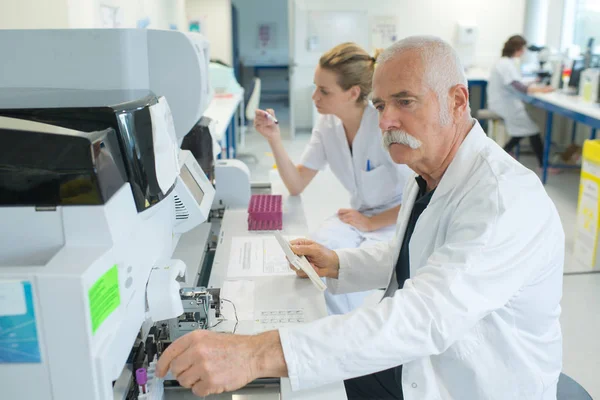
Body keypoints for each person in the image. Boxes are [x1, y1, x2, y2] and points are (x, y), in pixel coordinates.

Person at [155, 36, 564, 400]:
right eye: (381, 105)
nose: (386, 121)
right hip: (421, 364)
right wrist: (340, 263)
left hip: (471, 382)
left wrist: (257, 353)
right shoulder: (428, 171)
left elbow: (425, 317)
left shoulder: (502, 198)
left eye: (404, 101)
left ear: (457, 101)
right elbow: (415, 255)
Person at [254, 42, 411, 315]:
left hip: (396, 221)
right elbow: (296, 183)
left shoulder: (384, 125)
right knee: (310, 258)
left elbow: (419, 195)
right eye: (315, 87)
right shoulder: (328, 125)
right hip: (359, 217)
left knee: (347, 283)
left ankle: (337, 339)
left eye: (324, 91)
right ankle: (312, 327)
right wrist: (274, 139)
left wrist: (373, 222)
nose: (315, 97)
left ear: (353, 93)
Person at [487, 35, 556, 172]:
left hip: (505, 102)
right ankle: (543, 166)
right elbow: (518, 86)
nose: (524, 51)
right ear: (518, 49)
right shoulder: (506, 64)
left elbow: (516, 82)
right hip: (504, 104)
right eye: (523, 48)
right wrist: (541, 89)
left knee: (523, 130)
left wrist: (533, 82)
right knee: (532, 130)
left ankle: (504, 152)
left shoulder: (506, 62)